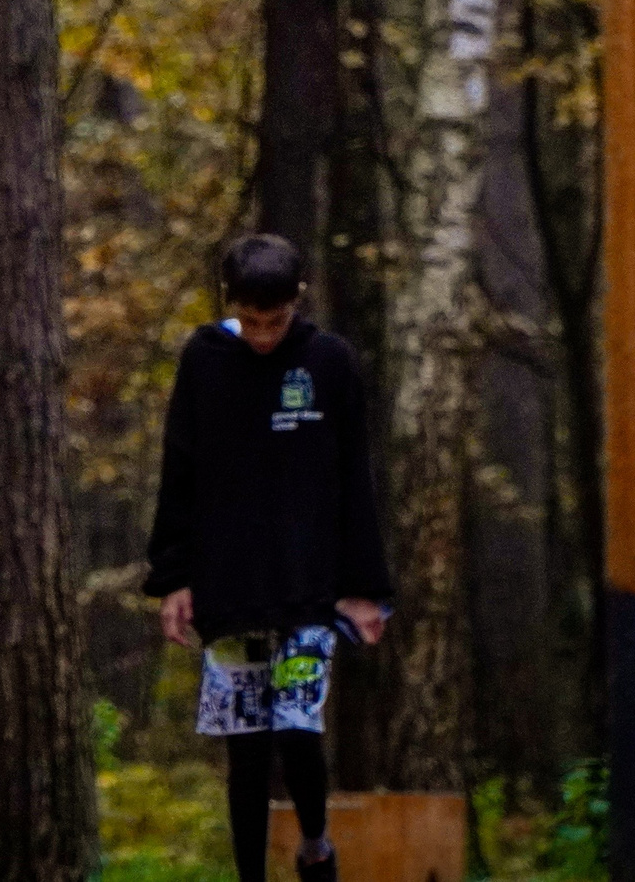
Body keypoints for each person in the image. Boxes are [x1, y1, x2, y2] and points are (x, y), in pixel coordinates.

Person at [144, 234, 391, 882]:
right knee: (247, 748)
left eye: (275, 322)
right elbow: (180, 470)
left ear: (297, 301)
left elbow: (355, 478)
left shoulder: (328, 362)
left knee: (297, 726)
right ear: (230, 303)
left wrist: (364, 585)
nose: (262, 335)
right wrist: (173, 578)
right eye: (250, 321)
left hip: (310, 584)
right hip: (230, 585)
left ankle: (315, 845)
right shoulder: (204, 360)